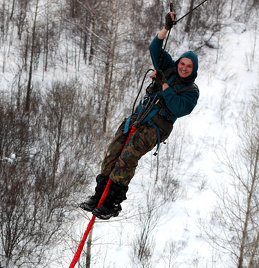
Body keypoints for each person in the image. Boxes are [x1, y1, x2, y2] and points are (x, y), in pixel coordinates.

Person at [80, 11, 199, 220]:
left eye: (189, 66)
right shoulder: (169, 68)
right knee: (112, 153)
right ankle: (99, 196)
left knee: (127, 158)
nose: (184, 68)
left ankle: (112, 203)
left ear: (193, 69)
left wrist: (163, 84)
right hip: (138, 117)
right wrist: (166, 28)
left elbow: (179, 108)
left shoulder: (192, 91)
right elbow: (155, 48)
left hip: (155, 127)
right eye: (183, 63)